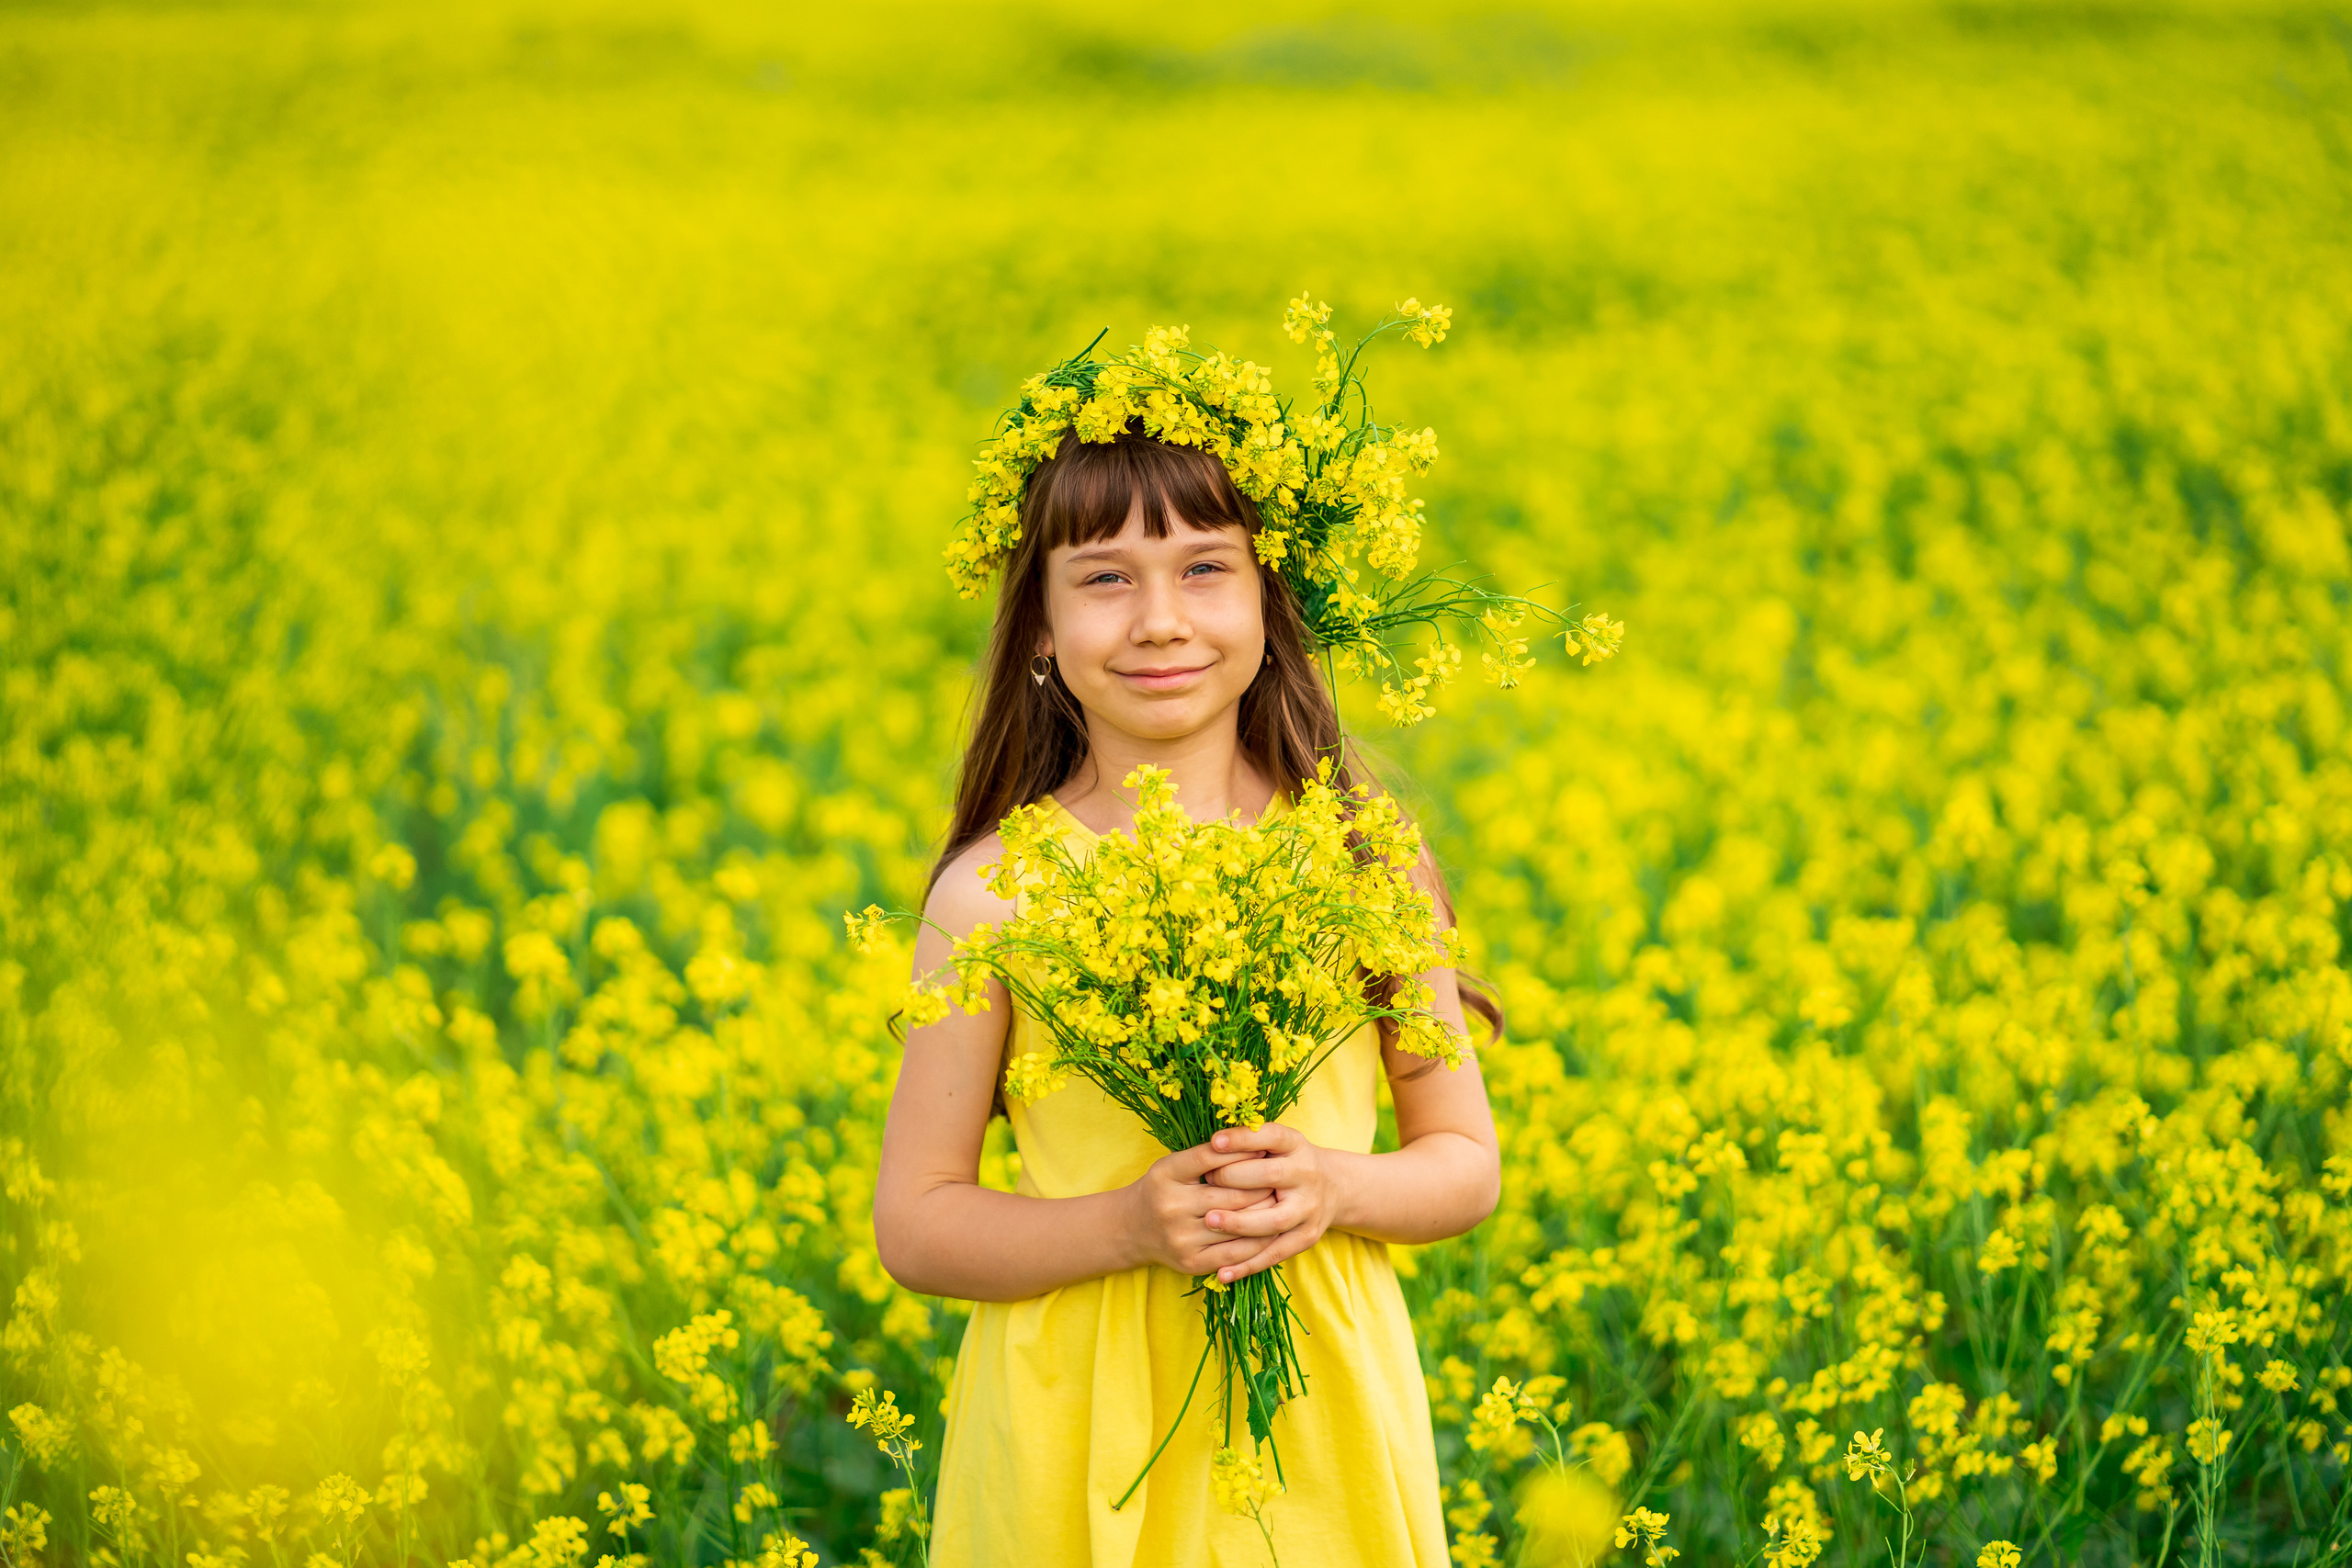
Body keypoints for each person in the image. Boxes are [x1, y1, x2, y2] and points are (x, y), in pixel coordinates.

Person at [873, 423, 1503, 1566]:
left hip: (1324, 1417)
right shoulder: (992, 896)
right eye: (1104, 579)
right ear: (1041, 631)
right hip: (1081, 1424)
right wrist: (1124, 1226)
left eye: (1205, 567)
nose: (1159, 619)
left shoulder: (1365, 858)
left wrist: (1331, 1187)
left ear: (1270, 604)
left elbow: (1463, 1163)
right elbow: (915, 1223)